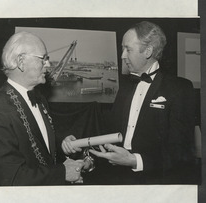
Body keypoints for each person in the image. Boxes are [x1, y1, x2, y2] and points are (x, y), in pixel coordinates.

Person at [62, 21, 197, 184]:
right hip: (117, 181)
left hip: (155, 184)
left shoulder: (179, 88)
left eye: (128, 49)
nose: (122, 56)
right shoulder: (125, 87)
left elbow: (181, 153)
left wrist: (134, 160)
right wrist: (86, 157)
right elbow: (110, 136)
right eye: (122, 48)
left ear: (148, 51)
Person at [0, 31, 84, 186]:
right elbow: (12, 177)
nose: (48, 64)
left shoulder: (40, 99)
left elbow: (38, 143)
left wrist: (61, 144)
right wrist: (63, 173)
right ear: (21, 62)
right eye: (43, 58)